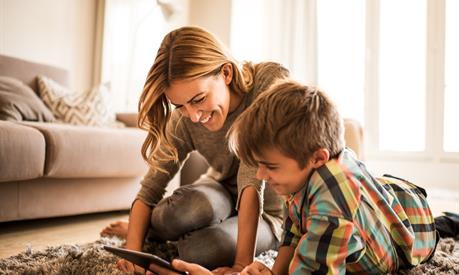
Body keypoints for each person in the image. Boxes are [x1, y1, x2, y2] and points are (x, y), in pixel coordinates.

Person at [148, 79, 440, 274]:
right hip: (369, 201)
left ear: (318, 159)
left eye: (270, 167)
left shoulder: (332, 208)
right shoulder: (302, 175)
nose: (261, 175)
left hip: (413, 219)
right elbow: (292, 232)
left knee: (439, 222)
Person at [102, 26, 289, 274]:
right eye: (180, 105)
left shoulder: (268, 82)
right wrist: (134, 251)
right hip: (219, 192)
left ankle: (154, 232)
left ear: (226, 73)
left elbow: (250, 180)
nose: (193, 115)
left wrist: (240, 266)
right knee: (184, 210)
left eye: (198, 99)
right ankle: (147, 229)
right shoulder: (185, 119)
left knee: (200, 251)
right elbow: (150, 189)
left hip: (268, 215)